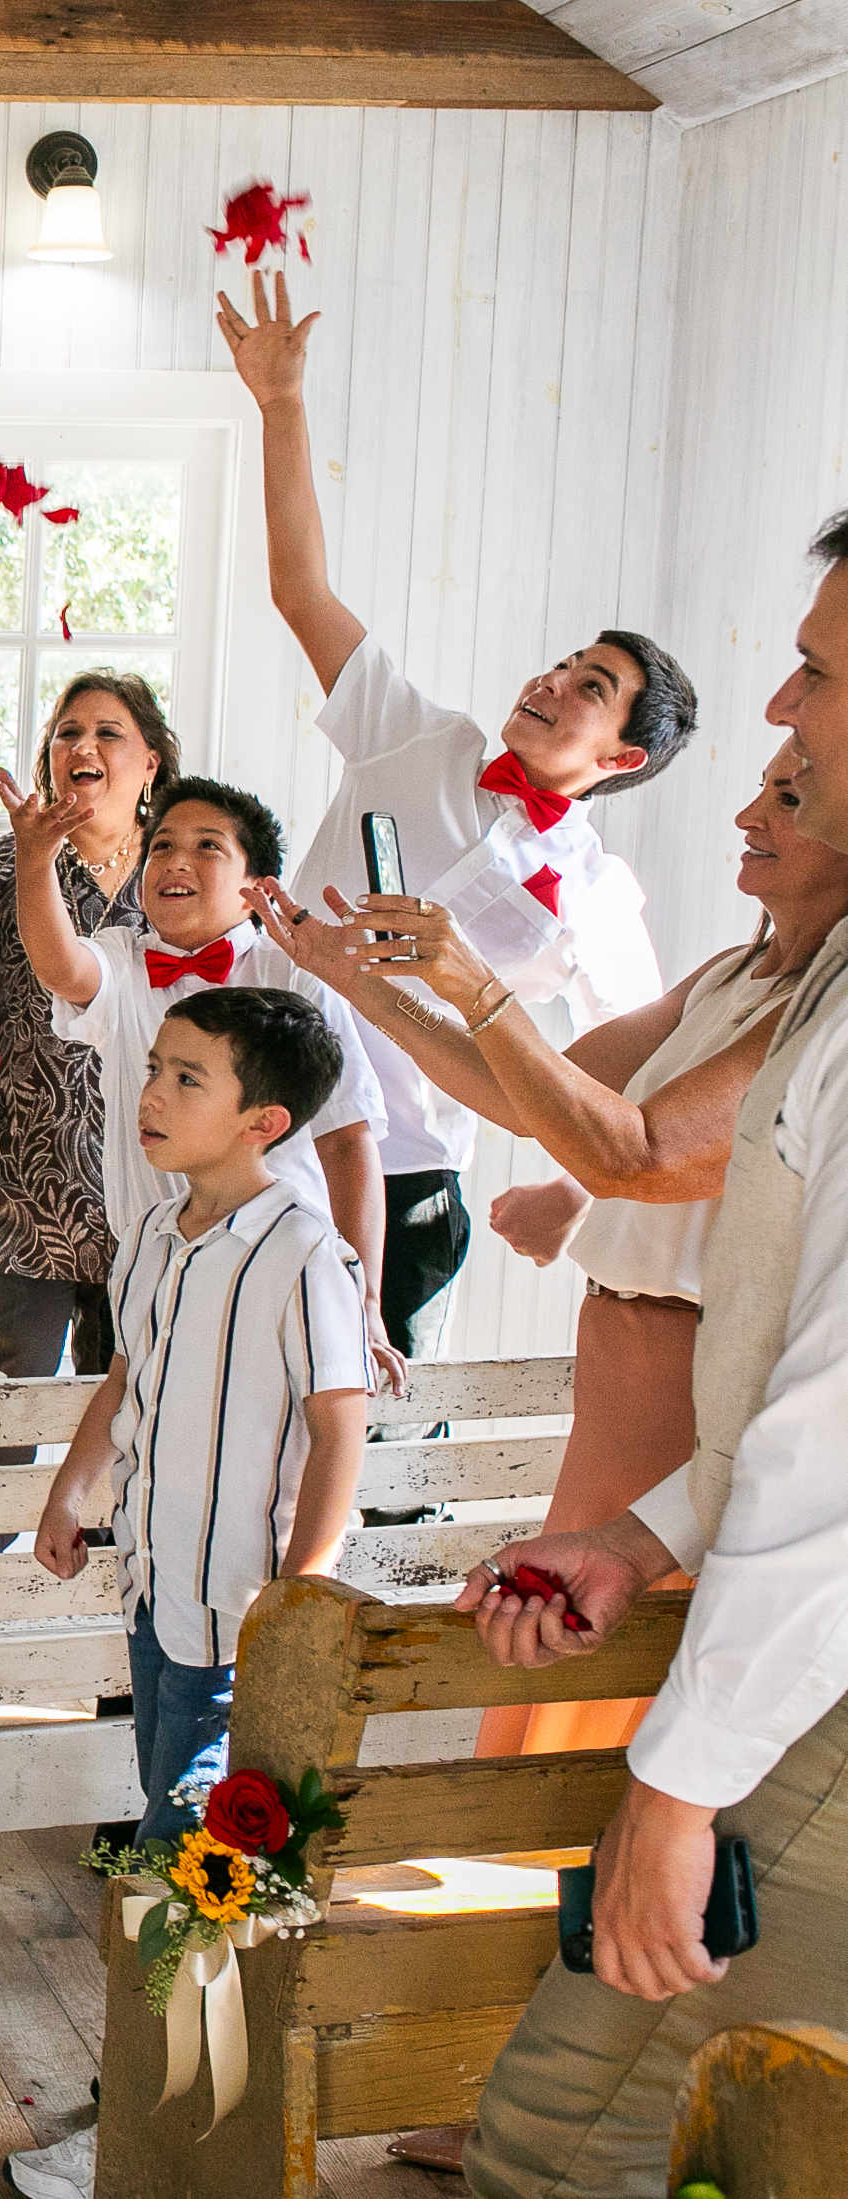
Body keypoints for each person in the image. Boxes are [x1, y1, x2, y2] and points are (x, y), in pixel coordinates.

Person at [434, 514, 848, 2199]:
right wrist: (635, 1533)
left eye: (815, 673)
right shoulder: (787, 981)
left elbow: (830, 1433)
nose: (776, 713)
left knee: (566, 2133)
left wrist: (675, 1788)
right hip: (747, 1565)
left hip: (807, 1668)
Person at [256, 743, 848, 1757]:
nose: (748, 816)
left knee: (622, 1679)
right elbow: (529, 1094)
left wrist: (477, 983)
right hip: (615, 1371)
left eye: (786, 799)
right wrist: (360, 984)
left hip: (696, 1379)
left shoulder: (819, 1013)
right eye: (757, 791)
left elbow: (638, 1154)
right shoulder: (729, 974)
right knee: (564, 1668)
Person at [224, 273, 682, 1372]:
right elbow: (301, 593)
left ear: (622, 756)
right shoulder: (416, 738)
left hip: (407, 1175)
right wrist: (280, 404)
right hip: (253, 1123)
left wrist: (573, 1194)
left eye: (590, 686)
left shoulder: (596, 894)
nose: (553, 680)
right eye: (563, 662)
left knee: (373, 1433)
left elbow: (641, 1078)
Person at [5, 988, 374, 2199]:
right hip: (158, 1599)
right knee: (170, 1854)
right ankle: (181, 2099)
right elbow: (126, 1378)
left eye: (185, 1079)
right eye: (153, 1068)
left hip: (240, 1627)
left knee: (187, 1866)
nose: (151, 1095)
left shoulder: (305, 1250)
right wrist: (72, 1490)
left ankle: (143, 2136)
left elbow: (338, 1429)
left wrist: (300, 1600)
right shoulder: (155, 1234)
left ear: (263, 1120)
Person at [6, 771, 396, 1379]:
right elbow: (62, 966)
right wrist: (35, 860)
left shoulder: (295, 973)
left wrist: (365, 1301)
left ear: (255, 886)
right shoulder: (123, 957)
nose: (176, 861)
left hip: (280, 1263)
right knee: (144, 1424)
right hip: (151, 1266)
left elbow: (347, 1140)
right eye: (161, 845)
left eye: (207, 846)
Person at [0, 675, 176, 1422]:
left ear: (150, 763)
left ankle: (114, 1513)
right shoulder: (5, 869)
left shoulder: (179, 873)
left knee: (134, 1409)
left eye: (108, 732)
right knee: (3, 1397)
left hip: (152, 1188)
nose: (82, 746)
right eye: (67, 733)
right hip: (22, 1182)